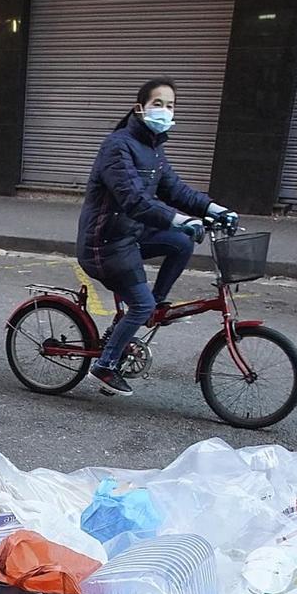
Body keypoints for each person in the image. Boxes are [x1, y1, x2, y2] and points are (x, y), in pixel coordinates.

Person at [77, 77, 235, 397]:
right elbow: (133, 199)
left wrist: (215, 209)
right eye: (158, 104)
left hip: (129, 236)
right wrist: (178, 219)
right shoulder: (117, 146)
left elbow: (175, 189)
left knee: (180, 242)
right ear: (140, 108)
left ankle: (151, 307)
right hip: (104, 243)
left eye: (171, 106)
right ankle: (104, 366)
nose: (165, 111)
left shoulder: (154, 148)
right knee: (141, 302)